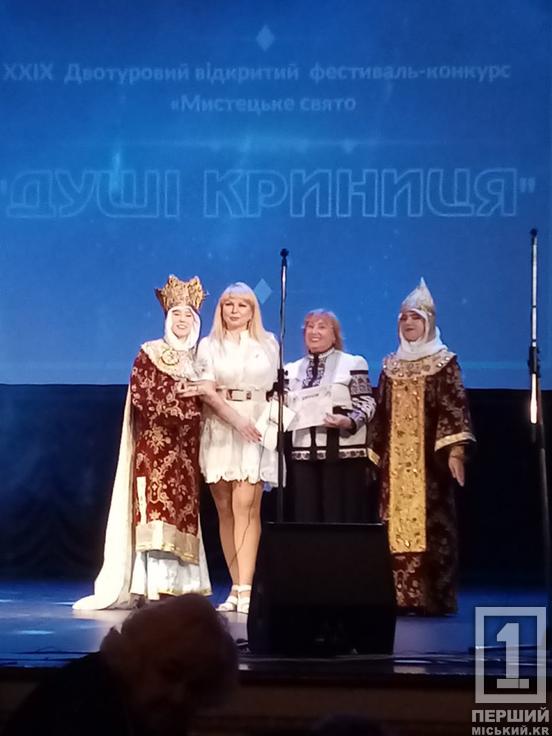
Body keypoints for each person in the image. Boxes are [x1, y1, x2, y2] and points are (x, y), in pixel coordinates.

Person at [74, 275, 257, 610]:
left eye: (188, 315)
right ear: (168, 318)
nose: (182, 320)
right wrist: (185, 409)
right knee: (155, 511)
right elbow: (145, 397)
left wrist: (201, 407)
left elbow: (211, 398)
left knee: (185, 515)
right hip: (156, 449)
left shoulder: (202, 358)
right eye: (177, 314)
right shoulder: (150, 353)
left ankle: (183, 586)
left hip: (188, 452)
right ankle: (152, 585)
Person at [369, 278, 475, 615]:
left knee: (433, 528)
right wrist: (372, 455)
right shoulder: (390, 365)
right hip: (394, 470)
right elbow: (381, 412)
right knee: (391, 527)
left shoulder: (443, 362)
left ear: (428, 322)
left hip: (430, 466)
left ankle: (431, 597)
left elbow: (454, 405)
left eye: (415, 317)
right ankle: (398, 597)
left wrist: (455, 451)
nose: (408, 323)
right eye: (403, 318)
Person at [5, 594, 238, 736]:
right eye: (169, 673)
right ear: (137, 655)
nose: (178, 696)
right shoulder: (81, 704)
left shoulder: (151, 714)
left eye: (196, 686)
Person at [197, 282, 278, 614]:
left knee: (246, 505)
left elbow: (277, 387)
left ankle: (247, 587)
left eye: (242, 305)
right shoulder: (208, 345)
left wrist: (261, 422)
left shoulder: (268, 342)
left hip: (255, 427)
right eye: (228, 304)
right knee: (225, 508)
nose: (234, 310)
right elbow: (206, 390)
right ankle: (235, 587)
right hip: (220, 425)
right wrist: (234, 419)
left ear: (252, 311)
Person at [285, 309, 376, 523]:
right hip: (303, 455)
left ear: (334, 335)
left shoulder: (353, 363)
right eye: (310, 326)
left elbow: (367, 402)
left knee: (340, 518)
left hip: (343, 455)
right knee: (306, 519)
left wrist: (349, 421)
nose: (314, 331)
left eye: (322, 326)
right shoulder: (291, 369)